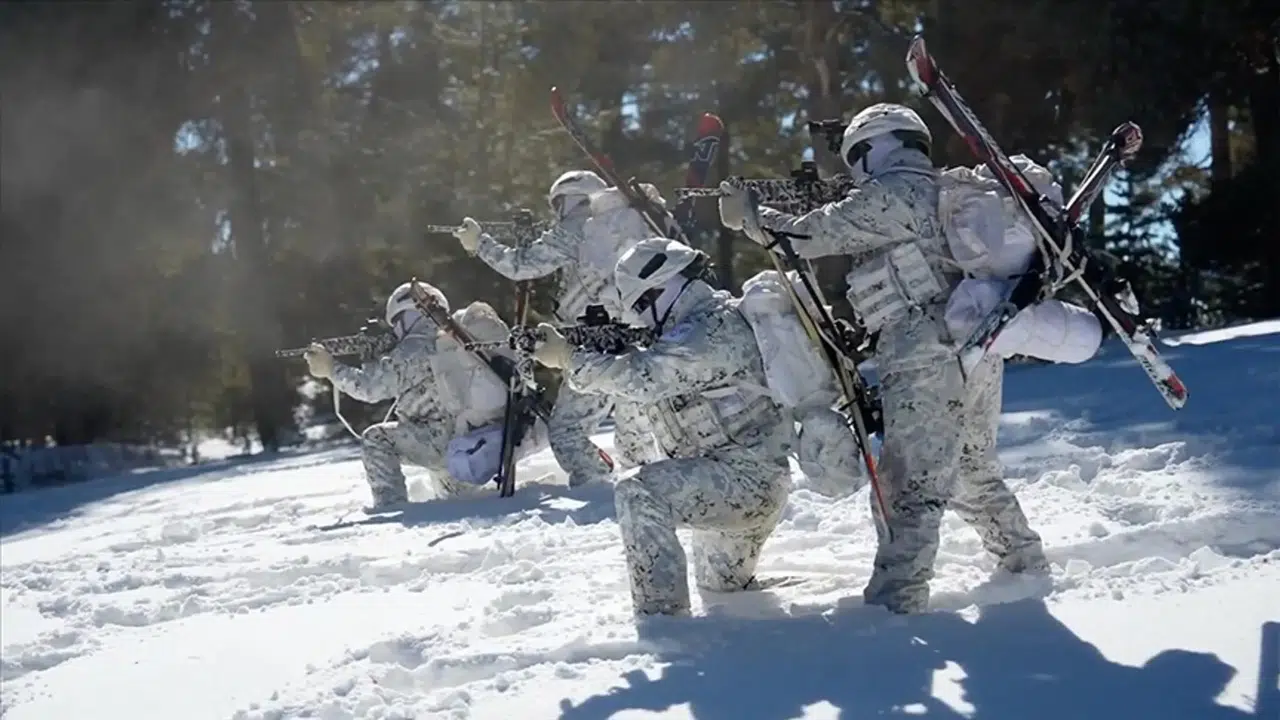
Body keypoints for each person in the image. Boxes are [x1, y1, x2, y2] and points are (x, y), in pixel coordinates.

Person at [717, 102, 1067, 614]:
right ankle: (1022, 564)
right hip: (975, 341)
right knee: (970, 468)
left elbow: (813, 235)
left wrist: (751, 216)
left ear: (868, 148)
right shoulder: (941, 190)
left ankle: (894, 606)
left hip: (924, 353)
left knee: (908, 483)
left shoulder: (899, 190)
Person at [527, 238, 794, 618]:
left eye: (639, 305)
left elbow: (647, 377)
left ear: (660, 289)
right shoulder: (687, 329)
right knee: (721, 589)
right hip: (728, 480)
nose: (638, 317)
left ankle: (662, 621)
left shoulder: (711, 329)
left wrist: (570, 358)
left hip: (747, 480)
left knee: (638, 492)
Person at [452, 170, 660, 486]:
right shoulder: (632, 226)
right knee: (636, 438)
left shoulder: (576, 229)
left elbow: (519, 265)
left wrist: (479, 243)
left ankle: (597, 489)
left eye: (559, 204)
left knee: (566, 433)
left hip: (591, 347)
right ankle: (645, 489)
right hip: (639, 341)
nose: (558, 213)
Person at [304, 281, 545, 509]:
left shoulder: (413, 347)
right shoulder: (451, 339)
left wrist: (331, 369)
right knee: (460, 504)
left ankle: (391, 507)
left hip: (439, 441)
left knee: (376, 439)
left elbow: (369, 388)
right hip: (471, 437)